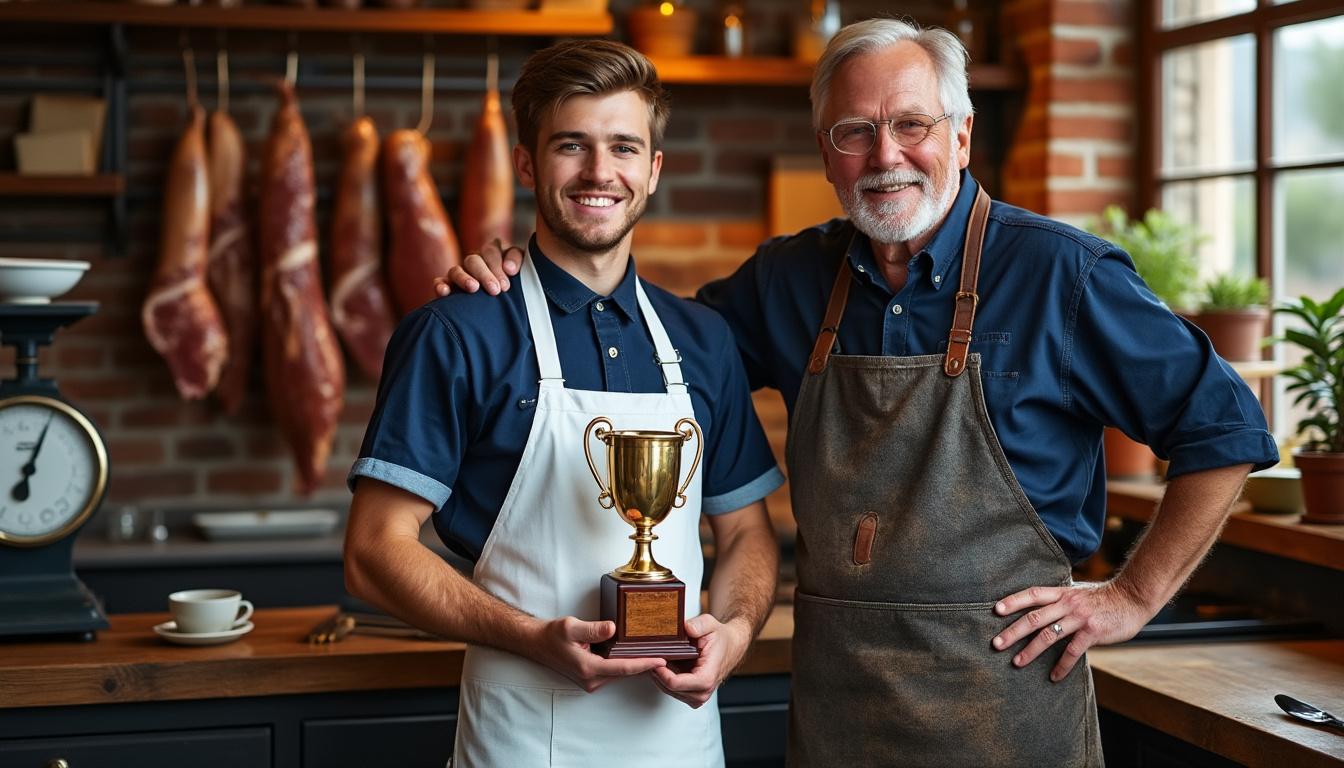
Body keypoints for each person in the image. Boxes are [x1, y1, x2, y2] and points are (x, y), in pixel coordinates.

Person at [440, 19, 1278, 766]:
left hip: (1007, 712)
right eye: (855, 131)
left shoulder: (1062, 274)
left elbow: (1225, 427)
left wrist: (1128, 599)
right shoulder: (789, 281)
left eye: (912, 124)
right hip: (838, 717)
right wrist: (526, 283)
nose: (885, 156)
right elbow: (653, 348)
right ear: (825, 150)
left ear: (962, 136)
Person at [344, 39, 784, 768]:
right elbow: (373, 551)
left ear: (653, 171)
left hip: (685, 745)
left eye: (623, 147)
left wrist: (732, 634)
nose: (598, 173)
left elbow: (745, 535)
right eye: (570, 146)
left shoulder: (703, 341)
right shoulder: (458, 331)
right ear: (527, 164)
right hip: (522, 740)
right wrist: (529, 636)